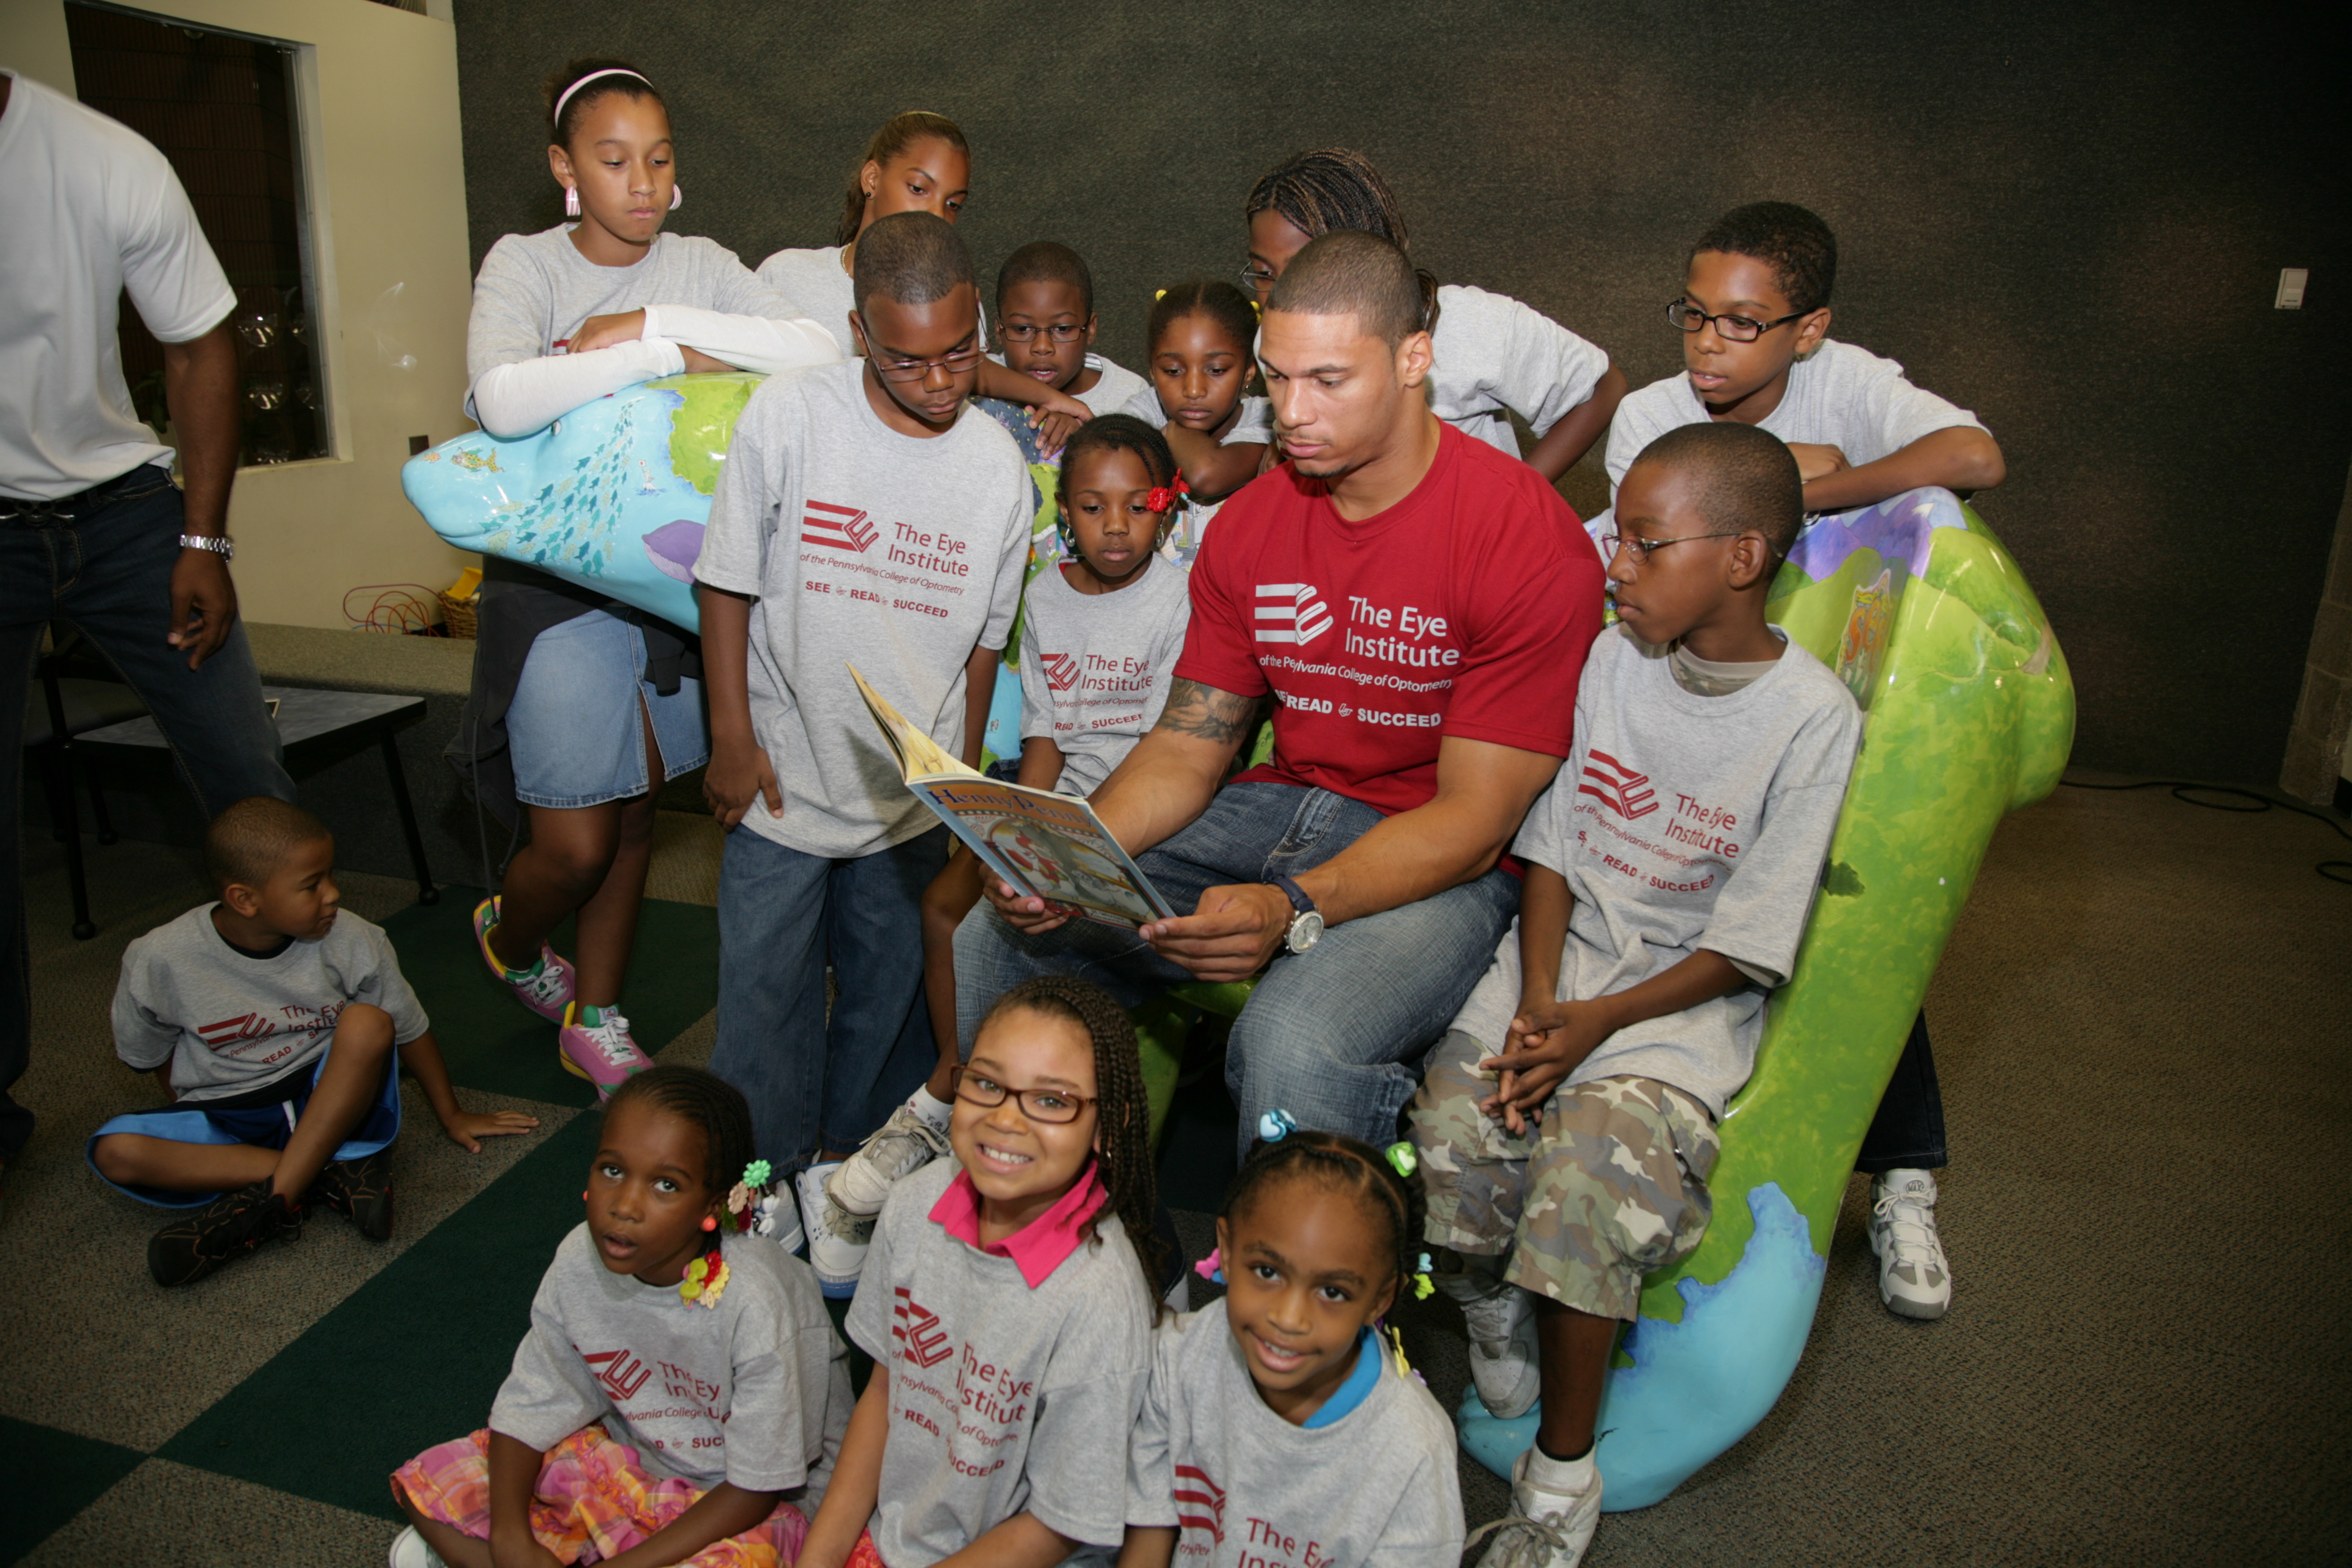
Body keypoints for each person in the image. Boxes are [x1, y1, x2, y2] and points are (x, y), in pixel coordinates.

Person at [957, 231, 1605, 1158]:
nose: (1289, 415)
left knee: (1290, 1040)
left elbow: (1476, 819)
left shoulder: (1528, 539)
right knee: (997, 933)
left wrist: (1292, 905)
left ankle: (1293, 1290)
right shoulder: (1256, 521)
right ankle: (1046, 1239)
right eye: (1276, 378)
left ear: (1414, 358)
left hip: (1445, 858)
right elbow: (1187, 746)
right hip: (1279, 808)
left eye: (1328, 381)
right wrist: (1064, 857)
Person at [1411, 423, 1862, 1568]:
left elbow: (1751, 942)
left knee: (1586, 1188)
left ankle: (1561, 1474)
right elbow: (1556, 848)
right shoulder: (1614, 656)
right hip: (1559, 972)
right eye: (1619, 535)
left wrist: (1596, 1028)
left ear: (1744, 557)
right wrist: (1542, 1003)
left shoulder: (1812, 720)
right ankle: (1490, 1313)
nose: (1615, 565)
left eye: (1648, 545)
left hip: (1673, 1013)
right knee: (1457, 1135)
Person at [1601, 200, 2006, 1321]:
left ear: (1809, 329)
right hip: (1701, 693)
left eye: (1741, 324)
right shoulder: (1649, 417)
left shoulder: (1859, 384)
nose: (1707, 347)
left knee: (1845, 918)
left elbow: (1976, 454)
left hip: (1837, 705)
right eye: (1692, 316)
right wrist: (1792, 471)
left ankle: (1905, 1174)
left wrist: (1805, 485)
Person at [456, 58, 842, 1102]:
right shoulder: (526, 265)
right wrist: (670, 361)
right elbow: (502, 395)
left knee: (632, 816)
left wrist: (651, 332)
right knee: (575, 841)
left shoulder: (701, 263)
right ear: (564, 168)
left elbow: (813, 348)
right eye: (613, 159)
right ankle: (512, 926)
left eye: (658, 159)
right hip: (556, 587)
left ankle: (598, 1013)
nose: (640, 181)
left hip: (675, 582)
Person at [695, 212, 1032, 1242]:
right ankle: (759, 1178)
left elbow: (983, 645)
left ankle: (838, 1172)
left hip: (904, 802)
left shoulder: (996, 471)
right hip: (783, 779)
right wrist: (730, 735)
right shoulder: (789, 420)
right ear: (855, 331)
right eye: (906, 359)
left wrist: (962, 778)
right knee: (760, 1000)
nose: (939, 382)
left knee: (887, 999)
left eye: (959, 354)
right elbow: (724, 584)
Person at [809, 416, 1193, 1296]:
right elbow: (1047, 743)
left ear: (1167, 512)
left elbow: (1178, 757)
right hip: (1070, 826)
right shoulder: (1046, 601)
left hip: (1161, 833)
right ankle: (968, 1130)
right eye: (1091, 506)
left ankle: (1121, 1242)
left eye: (1136, 507)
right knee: (981, 914)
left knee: (1026, 959)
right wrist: (1023, 835)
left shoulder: (1184, 599)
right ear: (1065, 512)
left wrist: (1076, 848)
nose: (1114, 525)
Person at [0, 66, 297, 1205]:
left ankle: (311, 1032)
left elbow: (199, 348)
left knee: (246, 775)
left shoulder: (102, 157)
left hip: (125, 516)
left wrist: (203, 542)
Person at [389, 1065, 851, 1568]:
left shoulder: (758, 1302)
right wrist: (509, 1538)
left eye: (666, 1186)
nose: (625, 1206)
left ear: (714, 1203)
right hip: (636, 1469)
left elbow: (757, 1489)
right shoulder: (578, 1260)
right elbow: (530, 1405)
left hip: (753, 1506)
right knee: (428, 1483)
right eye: (613, 1170)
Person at [89, 799, 534, 1286]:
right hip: (230, 1112)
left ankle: (266, 1208)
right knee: (115, 1151)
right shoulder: (159, 958)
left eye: (330, 876)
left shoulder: (353, 937)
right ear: (244, 899)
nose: (333, 894)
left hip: (328, 1097)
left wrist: (452, 1114)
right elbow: (149, 1055)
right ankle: (326, 1174)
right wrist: (195, 1116)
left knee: (368, 1022)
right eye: (312, 884)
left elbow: (408, 1027)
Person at [795, 977, 1158, 1568]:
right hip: (897, 1538)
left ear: (1106, 1127)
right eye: (987, 1083)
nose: (1007, 1119)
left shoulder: (1099, 1297)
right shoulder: (913, 1204)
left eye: (1051, 1099)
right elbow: (882, 1397)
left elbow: (1053, 1526)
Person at [1118, 1126, 1465, 1568]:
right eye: (1267, 1272)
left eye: (1333, 1292)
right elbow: (1150, 1524)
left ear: (1380, 1300)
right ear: (1225, 1249)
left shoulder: (1412, 1449)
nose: (1288, 1317)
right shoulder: (1180, 1356)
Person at [1240, 147, 1627, 481]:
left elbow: (1598, 389)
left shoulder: (1471, 323)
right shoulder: (1273, 340)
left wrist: (1516, 496)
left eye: (1302, 266)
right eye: (1263, 273)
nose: (1279, 292)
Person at [756, 112, 1091, 451]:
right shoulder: (788, 274)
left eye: (952, 204)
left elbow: (973, 373)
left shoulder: (952, 295)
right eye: (918, 189)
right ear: (872, 179)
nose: (936, 215)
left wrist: (1053, 400)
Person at [1118, 281, 1273, 565]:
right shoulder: (1145, 410)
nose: (1193, 390)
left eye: (1216, 370)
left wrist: (1170, 431)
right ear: (1152, 370)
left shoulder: (1265, 420)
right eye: (1173, 371)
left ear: (1250, 370)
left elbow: (1206, 474)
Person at [990, 241, 1146, 418]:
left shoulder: (1131, 395)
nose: (1042, 347)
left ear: (1091, 329)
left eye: (1063, 329)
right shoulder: (977, 381)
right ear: (998, 329)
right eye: (1022, 328)